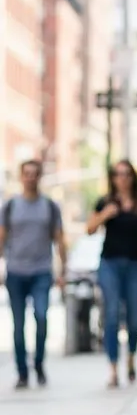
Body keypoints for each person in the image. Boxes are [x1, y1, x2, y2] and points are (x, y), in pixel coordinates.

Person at [87, 159, 137, 388]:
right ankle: (113, 368)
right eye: (118, 174)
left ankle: (131, 357)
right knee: (111, 313)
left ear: (133, 177)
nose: (123, 178)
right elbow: (89, 229)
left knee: (134, 320)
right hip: (110, 264)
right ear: (113, 178)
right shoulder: (105, 202)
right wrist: (104, 215)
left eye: (126, 173)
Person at [0, 160, 67, 389]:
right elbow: (1, 237)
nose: (30, 178)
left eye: (34, 174)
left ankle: (38, 362)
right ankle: (21, 371)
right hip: (16, 272)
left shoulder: (49, 206)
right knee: (18, 327)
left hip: (41, 271)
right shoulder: (10, 206)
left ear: (39, 177)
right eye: (26, 174)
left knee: (41, 317)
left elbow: (59, 238)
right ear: (21, 177)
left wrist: (62, 270)